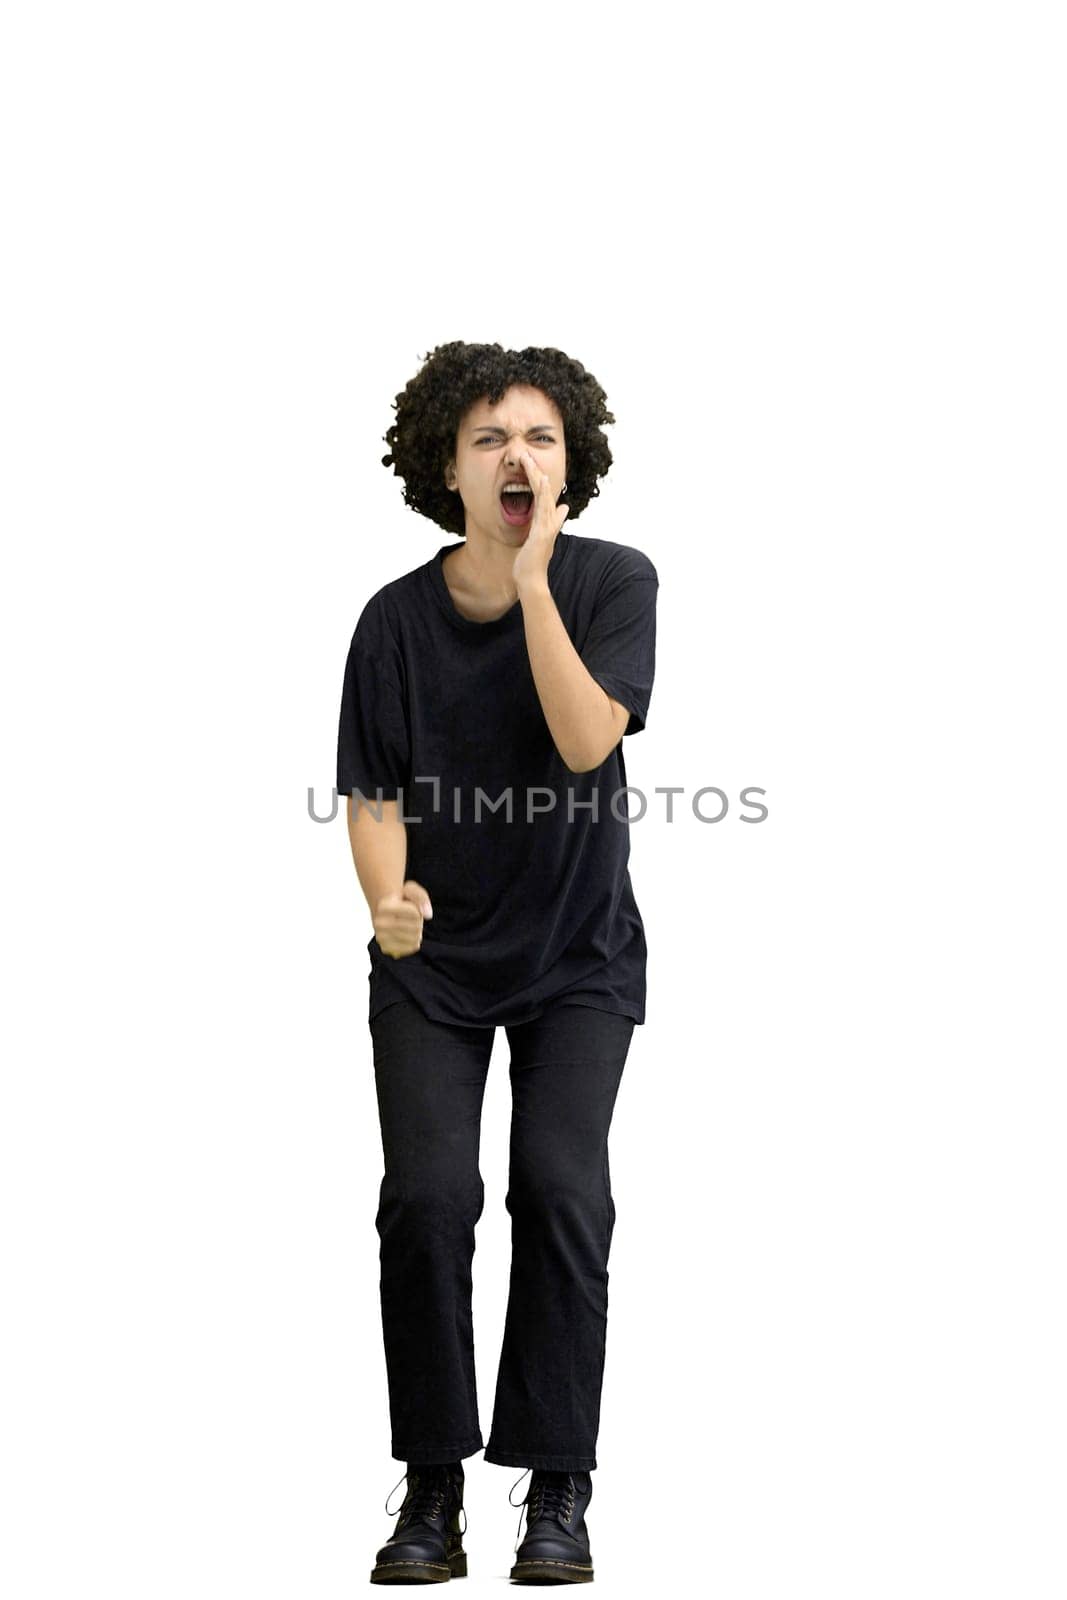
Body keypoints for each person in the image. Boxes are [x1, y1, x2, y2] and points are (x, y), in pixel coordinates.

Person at [336, 341, 658, 1584]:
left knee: (559, 1193)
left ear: (569, 463)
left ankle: (556, 1486)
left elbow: (586, 743)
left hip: (578, 956)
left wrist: (533, 588)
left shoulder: (613, 584)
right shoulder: (390, 621)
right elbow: (369, 790)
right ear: (446, 468)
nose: (516, 454)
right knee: (427, 1202)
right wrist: (384, 896)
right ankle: (430, 1487)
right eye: (488, 438)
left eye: (538, 436)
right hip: (434, 962)